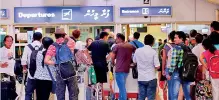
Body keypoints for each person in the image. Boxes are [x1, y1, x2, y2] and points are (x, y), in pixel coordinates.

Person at [133, 34, 160, 100]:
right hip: (151, 77)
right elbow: (157, 66)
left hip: (141, 78)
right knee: (150, 97)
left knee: (141, 97)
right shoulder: (153, 52)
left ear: (144, 41)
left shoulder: (138, 50)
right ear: (153, 42)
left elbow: (134, 61)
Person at [166, 31, 191, 100]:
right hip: (187, 72)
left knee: (174, 95)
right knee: (187, 95)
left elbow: (173, 63)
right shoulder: (188, 48)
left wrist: (169, 73)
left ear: (181, 38)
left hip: (177, 73)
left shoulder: (176, 48)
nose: (174, 39)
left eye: (176, 38)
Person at [111, 33, 135, 100]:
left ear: (119, 38)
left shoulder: (117, 46)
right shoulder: (130, 46)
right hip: (126, 69)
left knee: (122, 88)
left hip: (119, 69)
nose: (115, 39)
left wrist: (112, 63)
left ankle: (123, 98)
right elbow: (136, 53)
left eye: (116, 38)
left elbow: (112, 57)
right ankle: (120, 98)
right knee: (122, 86)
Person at [88, 31, 111, 99]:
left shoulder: (93, 42)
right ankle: (103, 96)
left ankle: (95, 94)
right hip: (102, 64)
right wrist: (107, 59)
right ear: (105, 37)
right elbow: (111, 53)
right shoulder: (106, 43)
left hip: (94, 64)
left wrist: (90, 59)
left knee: (94, 80)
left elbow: (85, 50)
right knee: (101, 82)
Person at [22, 32, 43, 100]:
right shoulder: (43, 47)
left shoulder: (28, 46)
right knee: (40, 94)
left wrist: (24, 68)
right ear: (41, 39)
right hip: (41, 75)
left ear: (33, 38)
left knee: (28, 93)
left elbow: (24, 60)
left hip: (31, 74)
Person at [0, 35, 17, 99]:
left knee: (12, 93)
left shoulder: (10, 50)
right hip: (4, 75)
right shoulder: (1, 50)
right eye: (8, 41)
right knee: (5, 94)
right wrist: (1, 64)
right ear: (4, 42)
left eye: (11, 41)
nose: (10, 43)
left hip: (11, 75)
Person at [161, 31, 176, 100]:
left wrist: (163, 70)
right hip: (178, 69)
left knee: (170, 87)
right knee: (177, 87)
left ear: (169, 37)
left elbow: (164, 59)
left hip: (169, 68)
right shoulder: (180, 45)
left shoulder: (166, 46)